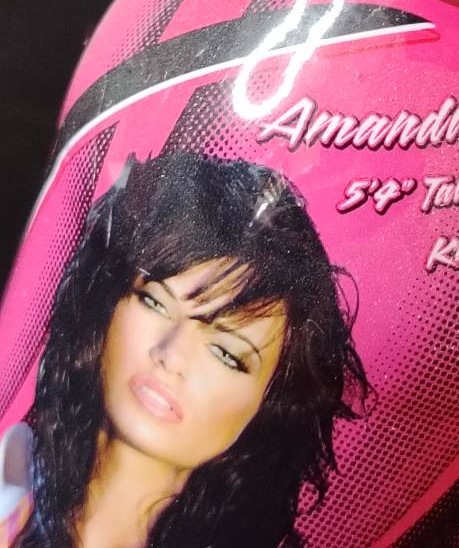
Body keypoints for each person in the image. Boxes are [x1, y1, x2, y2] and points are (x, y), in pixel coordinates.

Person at [1, 152, 369, 547]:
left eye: (226, 354)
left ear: (271, 404)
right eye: (155, 303)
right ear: (108, 303)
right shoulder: (12, 475)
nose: (171, 355)